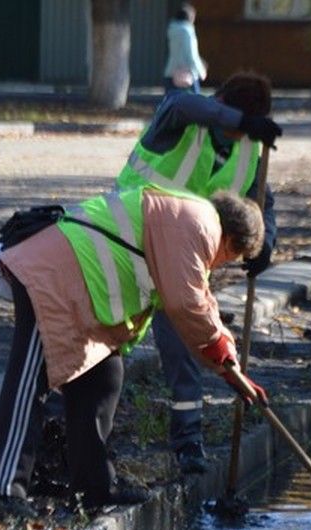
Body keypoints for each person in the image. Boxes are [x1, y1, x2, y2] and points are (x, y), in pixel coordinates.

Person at [0, 186, 268, 509]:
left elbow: (200, 301)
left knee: (103, 380)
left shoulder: (193, 221)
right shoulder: (200, 224)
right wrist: (221, 356)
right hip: (54, 275)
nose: (223, 265)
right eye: (233, 259)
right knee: (29, 381)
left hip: (83, 289)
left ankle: (94, 490)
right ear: (231, 242)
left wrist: (229, 362)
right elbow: (186, 302)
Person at [115, 71, 282, 475]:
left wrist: (267, 243)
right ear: (220, 102)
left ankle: (188, 442)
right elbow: (179, 101)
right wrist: (240, 122)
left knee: (187, 349)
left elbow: (264, 203)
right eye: (234, 122)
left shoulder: (250, 154)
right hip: (126, 244)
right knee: (105, 343)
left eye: (245, 129)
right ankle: (67, 426)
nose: (237, 136)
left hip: (183, 261)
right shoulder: (182, 120)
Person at [163, 3, 206, 96]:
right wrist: (201, 71)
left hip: (171, 72)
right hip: (187, 76)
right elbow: (192, 54)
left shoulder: (172, 30)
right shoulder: (188, 32)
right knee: (195, 105)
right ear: (191, 17)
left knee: (170, 105)